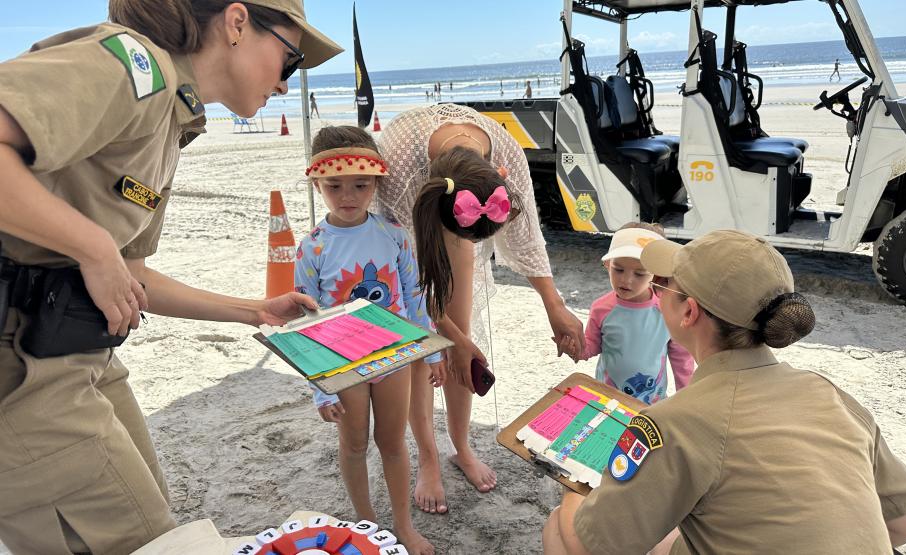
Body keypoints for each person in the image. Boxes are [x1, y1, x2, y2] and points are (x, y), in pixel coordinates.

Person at [0, 1, 341, 553]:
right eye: (290, 59)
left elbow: (131, 276)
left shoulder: (173, 117)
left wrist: (251, 310)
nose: (285, 86)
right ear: (236, 24)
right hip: (22, 375)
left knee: (162, 536)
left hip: (79, 353)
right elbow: (103, 258)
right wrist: (91, 248)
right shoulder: (132, 67)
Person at [542, 230, 906, 554]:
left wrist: (574, 477)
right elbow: (904, 522)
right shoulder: (826, 392)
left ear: (689, 312)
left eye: (662, 284)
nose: (654, 287)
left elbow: (590, 547)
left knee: (561, 527)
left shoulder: (673, 422)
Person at [377, 103, 585, 514]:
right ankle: (429, 457)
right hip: (405, 226)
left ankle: (461, 444)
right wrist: (446, 338)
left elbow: (526, 238)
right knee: (423, 351)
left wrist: (553, 305)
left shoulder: (506, 155)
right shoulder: (399, 168)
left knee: (463, 344)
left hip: (456, 213)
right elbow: (407, 282)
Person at [295, 126, 445, 555]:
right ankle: (366, 525)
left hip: (393, 357)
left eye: (360, 185)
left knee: (394, 443)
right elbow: (305, 326)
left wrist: (430, 348)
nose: (348, 196)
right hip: (342, 364)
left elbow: (414, 296)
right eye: (334, 186)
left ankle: (402, 525)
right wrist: (319, 389)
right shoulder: (312, 249)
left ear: (376, 182)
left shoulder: (394, 234)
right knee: (354, 442)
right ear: (317, 184)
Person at [579, 223, 693, 404]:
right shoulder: (601, 308)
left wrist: (686, 396)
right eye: (618, 269)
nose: (626, 280)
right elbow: (592, 345)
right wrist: (576, 347)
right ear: (607, 264)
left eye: (639, 274)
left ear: (655, 275)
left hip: (652, 400)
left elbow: (681, 356)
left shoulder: (667, 311)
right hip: (607, 398)